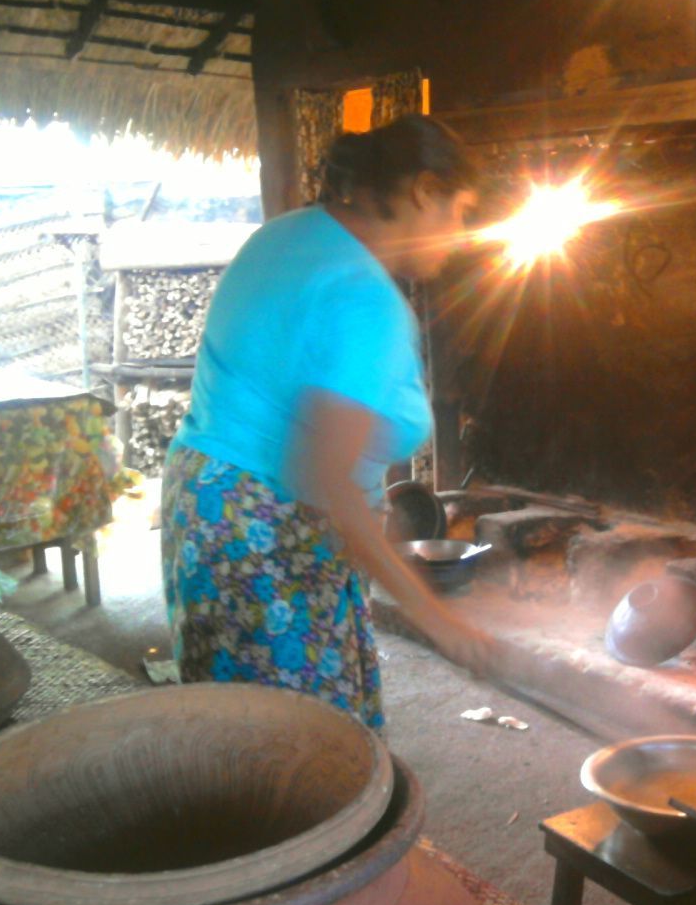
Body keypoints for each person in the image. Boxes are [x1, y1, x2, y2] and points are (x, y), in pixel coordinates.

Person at [161, 115, 491, 732]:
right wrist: (438, 617)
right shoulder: (364, 296)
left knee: (237, 735)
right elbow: (329, 482)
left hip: (207, 509)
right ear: (423, 191)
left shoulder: (287, 237)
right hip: (266, 538)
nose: (462, 235)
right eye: (460, 211)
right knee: (299, 750)